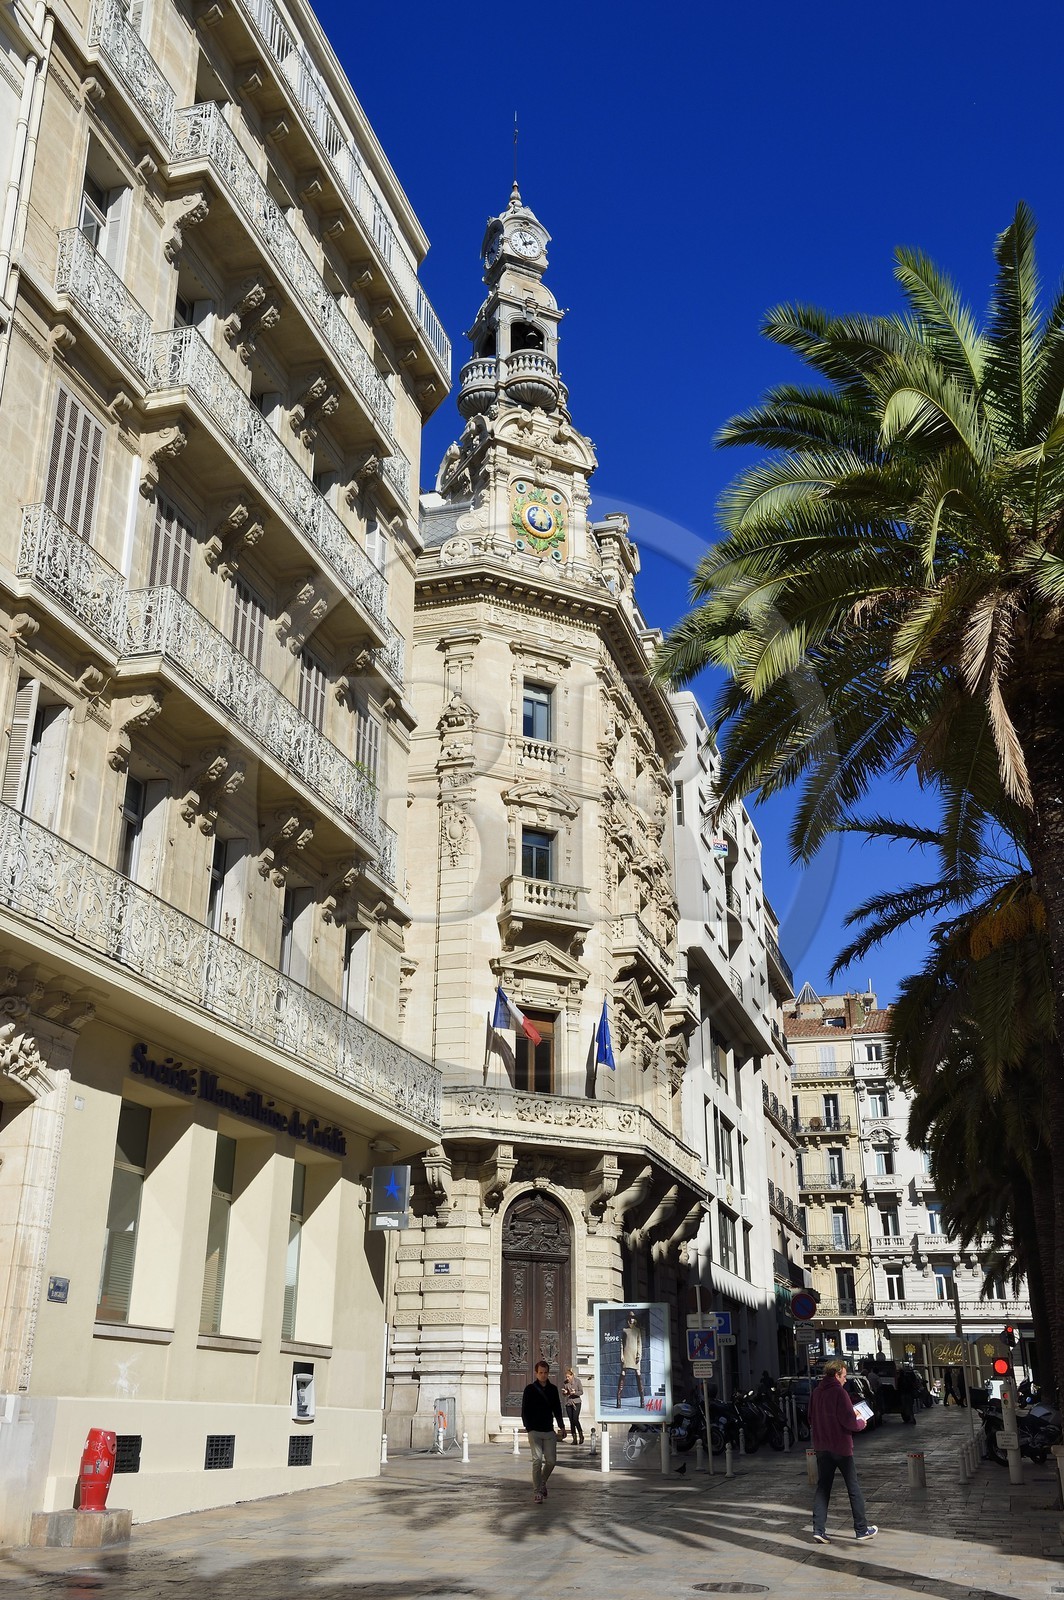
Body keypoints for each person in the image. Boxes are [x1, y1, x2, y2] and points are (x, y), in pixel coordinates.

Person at [808, 1358, 877, 1545]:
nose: (846, 1380)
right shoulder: (840, 1393)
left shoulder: (816, 1392)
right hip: (840, 1447)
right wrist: (861, 1422)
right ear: (837, 1374)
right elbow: (849, 1421)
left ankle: (818, 1530)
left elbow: (810, 1418)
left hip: (822, 1447)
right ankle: (861, 1529)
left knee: (823, 1488)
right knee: (853, 1487)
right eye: (844, 1376)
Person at [521, 1359, 566, 1503]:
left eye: (545, 1373)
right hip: (534, 1430)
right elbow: (525, 1410)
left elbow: (557, 1409)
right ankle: (537, 1492)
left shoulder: (552, 1390)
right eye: (541, 1373)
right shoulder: (529, 1389)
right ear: (536, 1373)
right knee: (537, 1461)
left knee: (551, 1461)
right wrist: (528, 1427)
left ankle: (542, 1482)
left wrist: (562, 1426)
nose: (543, 1375)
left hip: (548, 1430)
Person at [616, 1310, 646, 1407]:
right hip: (626, 1354)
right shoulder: (624, 1330)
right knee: (623, 1373)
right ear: (628, 1319)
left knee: (638, 1373)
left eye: (633, 1318)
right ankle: (618, 1399)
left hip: (635, 1355)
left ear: (635, 1320)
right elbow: (621, 1343)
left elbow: (639, 1344)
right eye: (630, 1318)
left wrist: (639, 1355)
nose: (631, 1320)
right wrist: (621, 1355)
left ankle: (642, 1399)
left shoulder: (637, 1330)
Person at [562, 1367, 585, 1443]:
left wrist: (575, 1392)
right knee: (571, 1421)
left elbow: (581, 1392)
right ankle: (574, 1438)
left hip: (577, 1402)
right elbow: (565, 1394)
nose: (567, 1378)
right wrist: (565, 1393)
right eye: (566, 1377)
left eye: (568, 1376)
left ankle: (581, 1435)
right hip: (569, 1403)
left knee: (575, 1419)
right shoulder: (565, 1383)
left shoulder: (577, 1381)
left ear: (572, 1376)